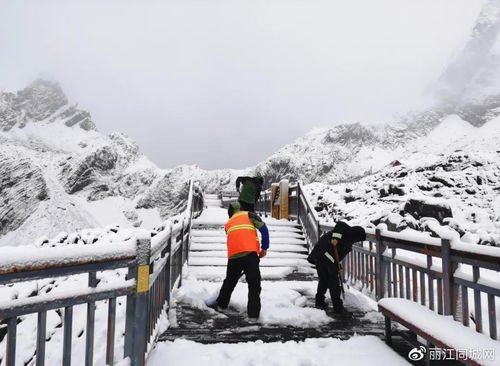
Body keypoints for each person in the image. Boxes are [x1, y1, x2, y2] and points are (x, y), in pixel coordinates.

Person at [207, 201, 270, 322]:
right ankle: (253, 316)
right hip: (250, 255)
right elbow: (264, 229)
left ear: (230, 212)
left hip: (233, 257)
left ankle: (221, 305)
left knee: (229, 282)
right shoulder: (250, 215)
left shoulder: (228, 224)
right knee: (254, 285)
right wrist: (264, 248)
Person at [307, 221, 366, 314]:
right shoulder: (344, 230)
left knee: (324, 280)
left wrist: (338, 265)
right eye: (358, 239)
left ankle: (320, 302)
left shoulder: (348, 243)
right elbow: (340, 224)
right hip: (321, 254)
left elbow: (337, 256)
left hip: (326, 258)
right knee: (333, 283)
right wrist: (335, 238)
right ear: (355, 235)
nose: (357, 242)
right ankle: (337, 307)